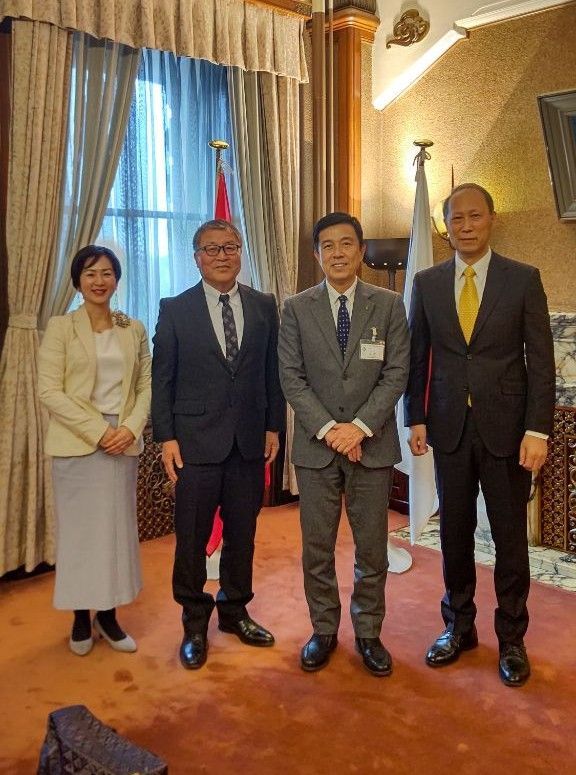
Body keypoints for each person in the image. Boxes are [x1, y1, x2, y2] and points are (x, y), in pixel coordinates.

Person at [404, 183, 556, 687]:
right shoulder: (426, 283)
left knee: (510, 538)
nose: (466, 225)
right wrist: (416, 417)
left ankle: (512, 639)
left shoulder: (522, 279)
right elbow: (417, 356)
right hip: (448, 427)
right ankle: (459, 626)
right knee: (453, 535)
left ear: (491, 220)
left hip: (509, 431)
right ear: (446, 227)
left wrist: (537, 428)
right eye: (456, 218)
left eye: (475, 216)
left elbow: (541, 362)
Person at [278, 212, 410, 676]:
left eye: (347, 244)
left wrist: (359, 426)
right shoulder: (295, 308)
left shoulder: (389, 305)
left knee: (372, 546)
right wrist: (333, 430)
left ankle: (369, 632)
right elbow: (291, 379)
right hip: (317, 449)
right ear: (317, 254)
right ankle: (324, 630)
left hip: (371, 446)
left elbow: (397, 373)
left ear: (361, 251)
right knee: (318, 547)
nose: (337, 253)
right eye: (327, 245)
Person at [151, 219, 285, 670]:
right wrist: (165, 436)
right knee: (190, 538)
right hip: (194, 444)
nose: (223, 255)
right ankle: (194, 620)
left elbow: (271, 373)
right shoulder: (175, 308)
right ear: (197, 257)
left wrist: (272, 427)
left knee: (242, 534)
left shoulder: (265, 305)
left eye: (230, 246)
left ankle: (234, 611)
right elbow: (162, 379)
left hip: (248, 441)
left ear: (241, 252)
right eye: (212, 248)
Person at [38, 245, 151, 656]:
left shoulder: (132, 328)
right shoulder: (60, 328)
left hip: (122, 442)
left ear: (116, 279)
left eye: (106, 273)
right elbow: (49, 391)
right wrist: (98, 432)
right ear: (77, 281)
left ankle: (108, 613)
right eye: (90, 273)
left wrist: (130, 427)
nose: (99, 281)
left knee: (115, 532)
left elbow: (144, 386)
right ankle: (80, 616)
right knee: (81, 535)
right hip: (77, 444)